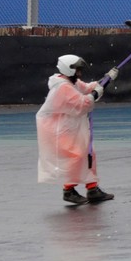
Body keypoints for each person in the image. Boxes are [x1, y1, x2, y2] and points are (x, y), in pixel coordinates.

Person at [37, 54, 119, 205]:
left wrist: (106, 79)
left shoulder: (70, 81)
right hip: (60, 129)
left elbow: (87, 88)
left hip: (70, 126)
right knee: (76, 156)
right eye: (77, 70)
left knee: (88, 153)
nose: (79, 73)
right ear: (68, 70)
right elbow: (83, 104)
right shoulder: (63, 87)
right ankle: (68, 190)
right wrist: (97, 93)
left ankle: (92, 188)